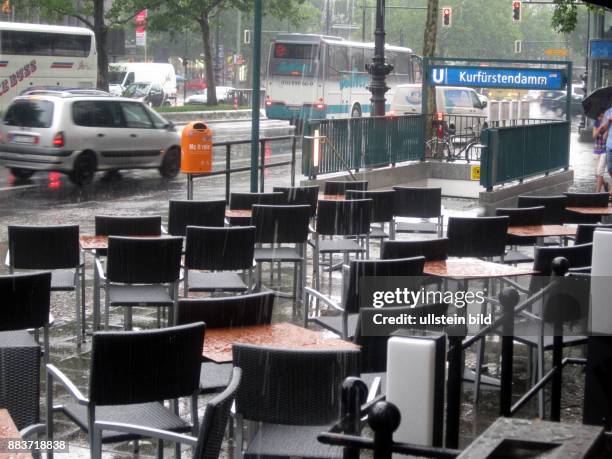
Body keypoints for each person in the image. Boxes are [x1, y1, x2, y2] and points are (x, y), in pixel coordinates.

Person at [593, 111, 609, 192]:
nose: (601, 118)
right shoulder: (596, 122)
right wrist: (599, 127)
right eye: (600, 117)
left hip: (604, 150)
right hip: (596, 150)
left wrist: (606, 127)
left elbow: (604, 138)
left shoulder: (608, 124)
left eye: (603, 117)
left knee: (600, 171)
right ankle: (605, 184)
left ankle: (597, 192)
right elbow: (594, 136)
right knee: (596, 174)